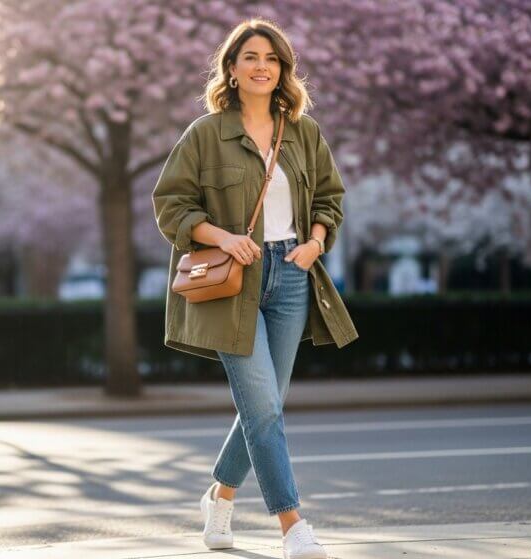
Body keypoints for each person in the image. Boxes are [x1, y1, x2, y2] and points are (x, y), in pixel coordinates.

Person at [152, 17, 359, 559]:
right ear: (232, 69)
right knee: (264, 408)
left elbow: (330, 199)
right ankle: (293, 525)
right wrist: (223, 237)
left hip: (292, 273)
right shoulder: (205, 133)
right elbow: (171, 204)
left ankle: (219, 496)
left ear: (283, 69)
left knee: (264, 406)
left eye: (271, 57)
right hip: (232, 282)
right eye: (250, 57)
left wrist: (315, 242)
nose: (262, 65)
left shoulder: (304, 133)